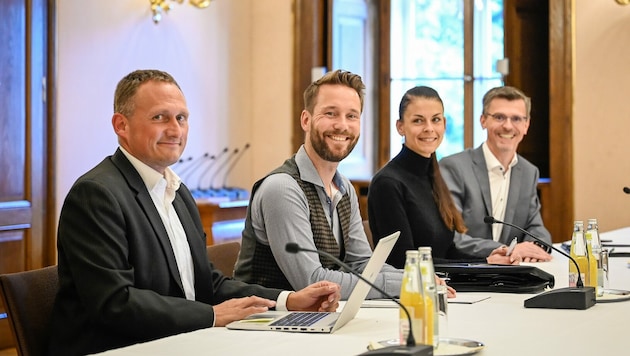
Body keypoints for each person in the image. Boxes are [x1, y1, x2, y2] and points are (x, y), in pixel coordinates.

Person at [48, 69, 341, 356]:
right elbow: (115, 302)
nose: (175, 130)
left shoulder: (177, 192)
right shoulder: (96, 194)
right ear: (121, 125)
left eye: (181, 118)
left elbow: (205, 282)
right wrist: (211, 315)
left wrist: (288, 300)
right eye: (159, 117)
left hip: (184, 340)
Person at [233, 70, 454, 300]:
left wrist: (419, 277)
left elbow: (362, 264)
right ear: (306, 120)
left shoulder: (345, 188)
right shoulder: (282, 189)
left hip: (317, 321)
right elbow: (312, 281)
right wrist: (407, 283)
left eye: (352, 116)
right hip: (263, 325)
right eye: (331, 113)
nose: (342, 125)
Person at [367, 86, 516, 269]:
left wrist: (487, 260)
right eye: (418, 121)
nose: (429, 128)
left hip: (444, 287)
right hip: (410, 293)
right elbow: (403, 263)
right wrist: (482, 263)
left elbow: (447, 250)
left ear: (444, 124)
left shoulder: (434, 176)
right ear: (400, 127)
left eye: (435, 120)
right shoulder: (387, 184)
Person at [439, 86, 552, 263]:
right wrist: (505, 250)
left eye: (516, 119)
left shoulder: (529, 172)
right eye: (499, 117)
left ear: (526, 125)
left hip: (512, 274)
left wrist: (536, 248)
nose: (507, 126)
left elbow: (536, 228)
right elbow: (451, 236)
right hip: (467, 274)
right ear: (483, 121)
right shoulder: (454, 167)